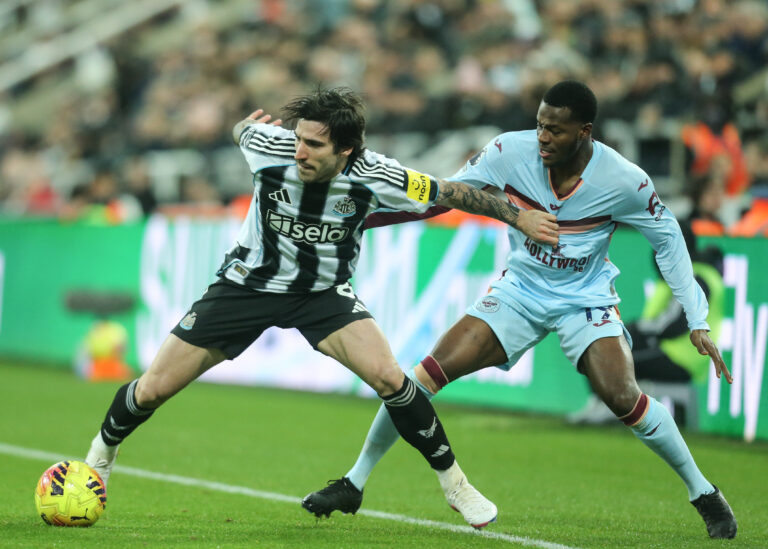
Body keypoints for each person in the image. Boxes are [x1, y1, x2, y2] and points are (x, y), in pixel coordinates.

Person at [83, 87, 558, 529]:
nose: (300, 151)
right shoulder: (269, 147)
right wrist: (245, 127)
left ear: (347, 150)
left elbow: (453, 193)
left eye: (314, 144)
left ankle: (456, 485)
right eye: (299, 138)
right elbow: (241, 131)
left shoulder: (380, 175)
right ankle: (98, 462)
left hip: (323, 295)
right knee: (151, 390)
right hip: (245, 286)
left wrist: (518, 216)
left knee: (392, 378)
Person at [301, 81, 738, 540]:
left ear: (585, 132)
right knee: (420, 377)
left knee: (622, 395)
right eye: (540, 125)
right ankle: (354, 482)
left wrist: (697, 318)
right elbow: (443, 195)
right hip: (521, 291)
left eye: (556, 130)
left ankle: (704, 493)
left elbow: (668, 239)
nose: (543, 137)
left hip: (584, 299)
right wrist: (362, 216)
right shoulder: (509, 151)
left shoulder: (625, 180)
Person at [568, 222, 725, 426]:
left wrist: (637, 329)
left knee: (602, 352)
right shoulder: (689, 273)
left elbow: (675, 323)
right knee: (603, 344)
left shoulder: (694, 277)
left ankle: (606, 405)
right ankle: (605, 403)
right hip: (673, 352)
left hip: (679, 356)